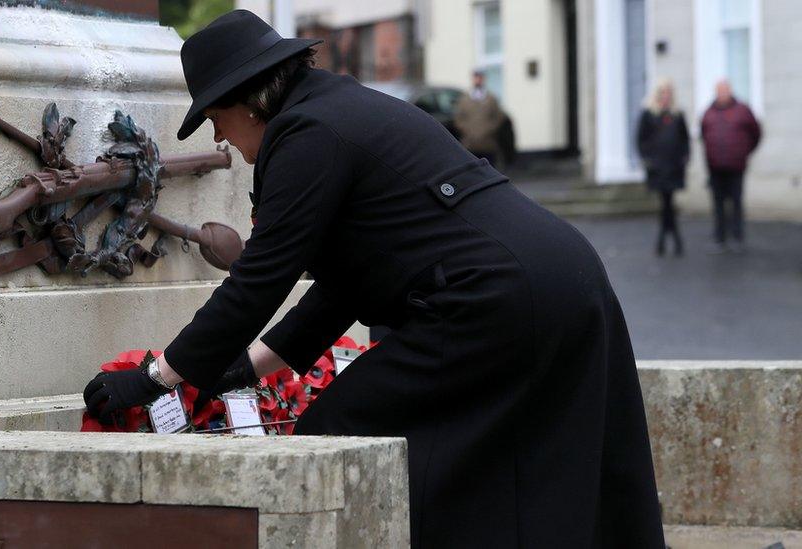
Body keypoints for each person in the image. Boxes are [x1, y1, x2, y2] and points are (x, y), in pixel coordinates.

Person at [83, 10, 664, 547]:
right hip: (562, 274)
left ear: (249, 100)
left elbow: (259, 279)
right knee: (529, 460)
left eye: (214, 117)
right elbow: (348, 287)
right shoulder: (335, 109)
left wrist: (157, 378)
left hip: (495, 295)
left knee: (340, 441)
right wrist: (243, 366)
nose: (218, 139)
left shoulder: (305, 135)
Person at [701, 80, 762, 254]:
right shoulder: (709, 112)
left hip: (736, 166)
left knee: (736, 202)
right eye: (719, 90)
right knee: (718, 203)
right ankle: (720, 237)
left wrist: (744, 151)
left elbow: (756, 133)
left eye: (725, 90)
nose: (722, 94)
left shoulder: (743, 110)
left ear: (730, 91)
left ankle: (737, 236)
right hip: (715, 167)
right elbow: (704, 135)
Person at [637, 78, 690, 256]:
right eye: (663, 93)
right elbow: (641, 139)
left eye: (668, 94)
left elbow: (685, 139)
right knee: (666, 203)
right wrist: (648, 160)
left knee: (668, 202)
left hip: (674, 166)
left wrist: (684, 158)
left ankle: (667, 239)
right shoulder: (649, 115)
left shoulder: (677, 115)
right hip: (658, 168)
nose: (666, 97)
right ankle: (671, 239)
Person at [453, 70, 505, 167]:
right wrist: (467, 130)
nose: (478, 80)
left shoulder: (491, 98)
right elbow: (459, 119)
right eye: (476, 78)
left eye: (480, 78)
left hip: (488, 143)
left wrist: (489, 129)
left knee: (489, 169)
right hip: (470, 143)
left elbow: (498, 117)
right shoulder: (464, 100)